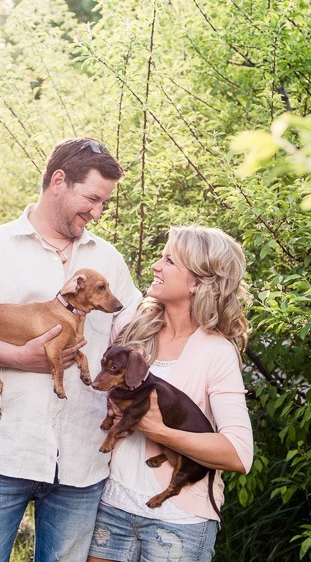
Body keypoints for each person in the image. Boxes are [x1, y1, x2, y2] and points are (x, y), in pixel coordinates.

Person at [0, 137, 143, 561]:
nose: (97, 213)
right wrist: (15, 357)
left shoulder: (108, 260)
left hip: (81, 462)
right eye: (92, 199)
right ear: (58, 181)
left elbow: (135, 334)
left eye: (104, 204)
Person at [87, 226, 254, 562]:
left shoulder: (217, 352)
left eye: (169, 260)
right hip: (112, 507)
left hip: (178, 522)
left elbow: (238, 454)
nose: (155, 266)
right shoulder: (134, 329)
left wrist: (158, 431)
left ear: (197, 282)